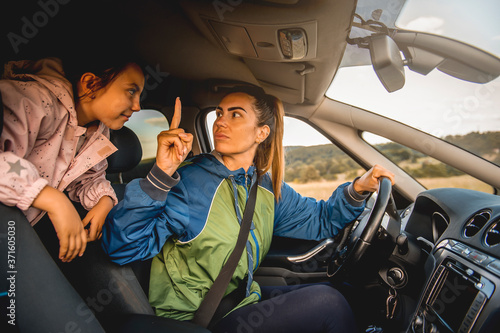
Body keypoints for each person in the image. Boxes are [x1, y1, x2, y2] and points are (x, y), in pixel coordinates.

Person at [101, 86, 395, 332]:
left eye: (235, 114)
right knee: (327, 303)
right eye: (219, 114)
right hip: (195, 320)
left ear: (261, 133)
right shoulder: (190, 180)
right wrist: (161, 175)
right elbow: (123, 248)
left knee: (347, 293)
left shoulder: (264, 187)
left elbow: (321, 220)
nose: (220, 122)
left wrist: (357, 190)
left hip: (239, 300)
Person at [0, 57, 145, 262]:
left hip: (19, 232)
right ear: (91, 84)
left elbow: (87, 177)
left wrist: (103, 200)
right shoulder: (34, 100)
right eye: (131, 91)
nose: (138, 106)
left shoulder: (97, 132)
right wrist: (53, 200)